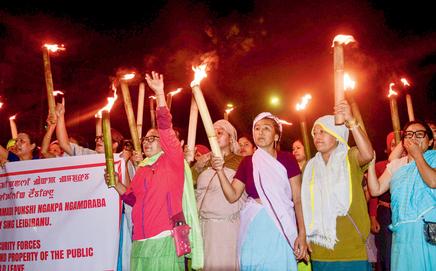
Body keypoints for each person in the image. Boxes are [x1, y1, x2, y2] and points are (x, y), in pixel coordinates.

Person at [109, 72, 200, 271]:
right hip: (140, 241)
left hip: (164, 238)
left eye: (153, 138)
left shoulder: (172, 160)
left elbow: (166, 127)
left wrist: (159, 93)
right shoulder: (142, 168)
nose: (146, 142)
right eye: (145, 139)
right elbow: (133, 199)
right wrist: (116, 183)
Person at [211, 112, 308, 270]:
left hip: (280, 223)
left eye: (266, 128)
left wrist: (302, 233)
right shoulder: (247, 162)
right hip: (254, 224)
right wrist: (220, 171)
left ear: (276, 136)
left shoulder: (288, 159)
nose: (260, 132)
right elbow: (232, 195)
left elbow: (297, 199)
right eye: (257, 128)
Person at [301, 100, 374, 271]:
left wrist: (351, 121)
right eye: (315, 133)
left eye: (323, 132)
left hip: (350, 245)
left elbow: (368, 154)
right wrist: (303, 235)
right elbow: (304, 205)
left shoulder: (350, 157)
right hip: (319, 248)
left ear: (337, 134)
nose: (316, 137)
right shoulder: (309, 166)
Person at [367, 120, 436, 271]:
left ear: (430, 141)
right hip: (401, 233)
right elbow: (375, 190)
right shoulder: (397, 165)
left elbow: (432, 181)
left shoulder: (434, 158)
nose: (413, 138)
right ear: (403, 142)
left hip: (426, 233)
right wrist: (371, 164)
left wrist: (418, 156)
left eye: (419, 134)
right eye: (409, 135)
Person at [192, 119, 245, 270]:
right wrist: (196, 167)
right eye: (212, 133)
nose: (215, 135)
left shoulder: (241, 161)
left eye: (220, 132)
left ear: (231, 138)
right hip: (203, 226)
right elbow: (187, 188)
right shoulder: (204, 162)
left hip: (225, 228)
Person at [368, 131, 395, 271]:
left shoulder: (409, 164)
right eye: (393, 144)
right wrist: (373, 218)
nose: (396, 147)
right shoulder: (380, 166)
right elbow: (374, 195)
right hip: (385, 214)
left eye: (399, 144)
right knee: (386, 250)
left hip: (403, 214)